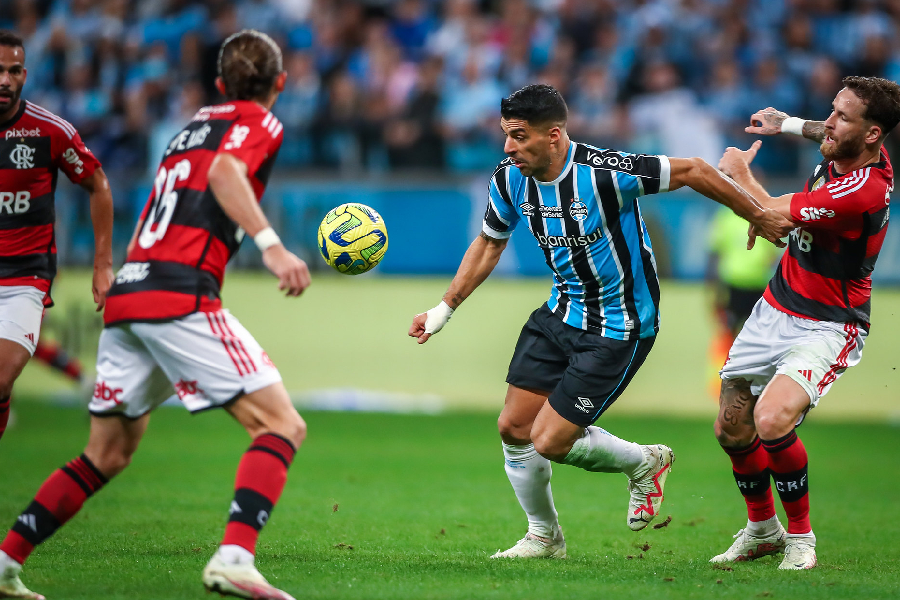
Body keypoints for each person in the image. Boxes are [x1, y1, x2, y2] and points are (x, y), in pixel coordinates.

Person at [408, 84, 793, 558]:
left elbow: (694, 169)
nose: (508, 147)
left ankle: (644, 462)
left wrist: (757, 213)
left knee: (547, 439)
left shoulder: (606, 171)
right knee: (513, 427)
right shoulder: (509, 178)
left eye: (518, 136)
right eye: (506, 135)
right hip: (560, 312)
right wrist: (443, 309)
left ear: (553, 136)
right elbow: (490, 242)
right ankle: (543, 537)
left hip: (619, 325)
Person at [0, 30, 310, 600]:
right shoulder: (261, 122)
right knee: (281, 426)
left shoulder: (187, 128)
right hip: (179, 293)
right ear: (280, 85)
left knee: (106, 454)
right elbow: (224, 175)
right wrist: (271, 243)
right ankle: (235, 559)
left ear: (218, 83)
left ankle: (4, 563)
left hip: (131, 290)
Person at [711, 76, 900, 570]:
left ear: (873, 134)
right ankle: (761, 530)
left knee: (771, 419)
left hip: (829, 324)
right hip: (775, 306)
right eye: (831, 111)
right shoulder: (847, 148)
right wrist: (787, 123)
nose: (829, 124)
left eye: (842, 116)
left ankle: (800, 538)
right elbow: (826, 132)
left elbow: (770, 214)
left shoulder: (862, 190)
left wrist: (734, 174)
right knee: (731, 428)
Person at [0, 30, 113, 443]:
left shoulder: (49, 131)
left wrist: (102, 265)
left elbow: (98, 184)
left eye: (13, 71)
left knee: (1, 376)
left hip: (24, 276)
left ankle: (82, 379)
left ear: (25, 75)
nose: (5, 80)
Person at [706, 206, 781, 396]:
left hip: (758, 287)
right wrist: (714, 290)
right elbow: (715, 254)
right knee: (729, 334)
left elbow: (773, 256)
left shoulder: (762, 216)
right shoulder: (726, 217)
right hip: (734, 285)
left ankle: (755, 387)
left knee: (758, 338)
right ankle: (722, 385)